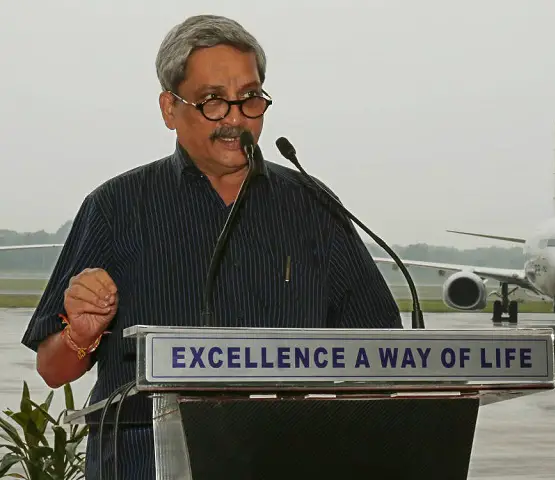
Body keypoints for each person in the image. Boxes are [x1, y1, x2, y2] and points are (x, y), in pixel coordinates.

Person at [20, 13, 402, 480]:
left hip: (286, 459)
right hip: (145, 464)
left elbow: (384, 356)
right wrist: (82, 334)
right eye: (213, 102)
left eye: (250, 98)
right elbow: (52, 370)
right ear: (168, 108)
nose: (236, 119)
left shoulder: (312, 205)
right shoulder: (115, 207)